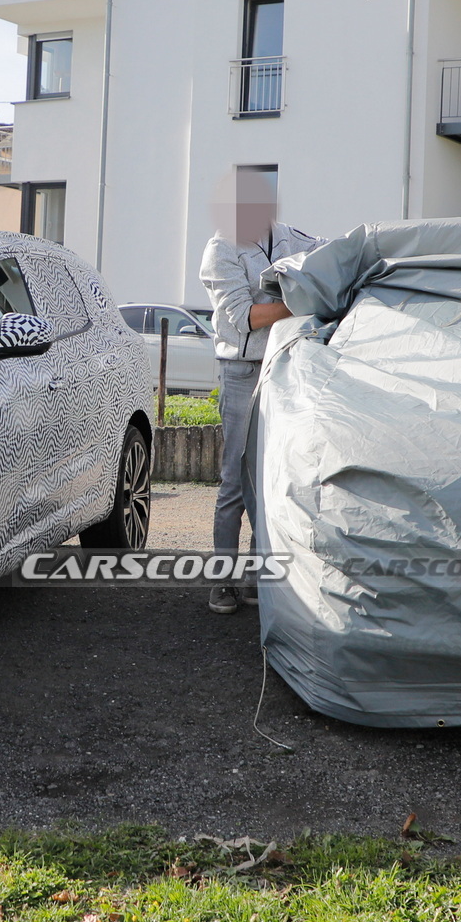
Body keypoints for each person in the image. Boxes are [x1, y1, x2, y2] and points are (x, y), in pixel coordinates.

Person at [198, 169, 323, 614]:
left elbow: (328, 256)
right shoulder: (220, 249)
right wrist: (303, 303)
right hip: (241, 371)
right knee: (235, 478)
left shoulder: (290, 237)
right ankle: (222, 581)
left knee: (273, 477)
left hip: (285, 366)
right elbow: (245, 318)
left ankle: (254, 577)